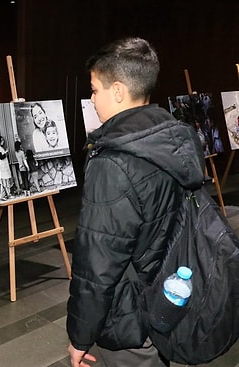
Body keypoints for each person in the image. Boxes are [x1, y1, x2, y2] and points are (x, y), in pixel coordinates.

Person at [66, 37, 205, 367]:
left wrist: (80, 337)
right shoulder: (174, 137)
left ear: (117, 91)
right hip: (169, 295)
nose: (92, 99)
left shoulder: (112, 162)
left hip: (128, 315)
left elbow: (97, 265)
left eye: (95, 89)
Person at [0, 135, 13, 200]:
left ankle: (3, 195)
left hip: (4, 167)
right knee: (5, 182)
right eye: (2, 140)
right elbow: (1, 157)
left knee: (4, 182)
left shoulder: (0, 148)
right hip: (3, 167)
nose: (3, 141)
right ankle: (8, 194)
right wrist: (6, 152)